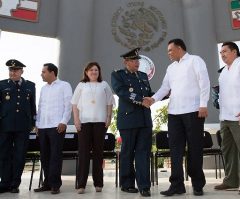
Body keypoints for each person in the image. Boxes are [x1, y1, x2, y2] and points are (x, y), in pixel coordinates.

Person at [147, 38, 210, 196]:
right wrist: (153, 99)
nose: (168, 53)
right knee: (175, 149)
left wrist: (203, 104)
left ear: (180, 48)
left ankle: (197, 184)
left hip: (194, 111)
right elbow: (165, 88)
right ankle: (177, 185)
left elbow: (204, 82)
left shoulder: (195, 60)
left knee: (195, 148)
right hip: (174, 113)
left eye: (170, 50)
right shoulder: (171, 68)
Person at [214, 42, 240, 195]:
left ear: (234, 51)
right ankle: (231, 180)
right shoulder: (224, 71)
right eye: (220, 52)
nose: (222, 54)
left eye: (225, 51)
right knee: (227, 150)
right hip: (225, 117)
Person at [111, 48, 153, 197]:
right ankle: (127, 184)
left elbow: (149, 94)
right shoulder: (118, 75)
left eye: (138, 60)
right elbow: (122, 92)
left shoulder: (142, 75)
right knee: (127, 153)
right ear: (126, 61)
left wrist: (163, 94)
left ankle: (144, 186)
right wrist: (142, 100)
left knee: (143, 153)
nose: (137, 63)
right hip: (128, 120)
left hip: (144, 121)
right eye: (134, 60)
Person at [71, 62, 114, 194]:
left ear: (99, 72)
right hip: (84, 123)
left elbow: (109, 102)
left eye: (96, 70)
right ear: (86, 72)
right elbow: (74, 104)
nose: (94, 72)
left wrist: (109, 117)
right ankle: (81, 185)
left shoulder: (104, 85)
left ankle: (98, 183)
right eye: (91, 70)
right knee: (83, 153)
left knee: (98, 153)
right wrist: (76, 120)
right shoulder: (81, 85)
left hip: (100, 123)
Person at [33, 63, 73, 194]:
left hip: (57, 126)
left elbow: (68, 105)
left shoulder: (64, 85)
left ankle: (55, 184)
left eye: (43, 72)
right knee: (44, 156)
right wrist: (37, 124)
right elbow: (40, 106)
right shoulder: (44, 88)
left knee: (55, 156)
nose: (41, 74)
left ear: (52, 72)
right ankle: (47, 183)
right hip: (43, 126)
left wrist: (64, 122)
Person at [0, 59, 36, 194]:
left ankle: (15, 184)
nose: (12, 72)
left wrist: (33, 123)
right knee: (4, 155)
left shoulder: (30, 86)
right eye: (10, 70)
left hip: (23, 126)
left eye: (15, 70)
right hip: (5, 125)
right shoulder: (2, 85)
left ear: (22, 71)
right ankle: (4, 183)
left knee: (19, 156)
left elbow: (32, 106)